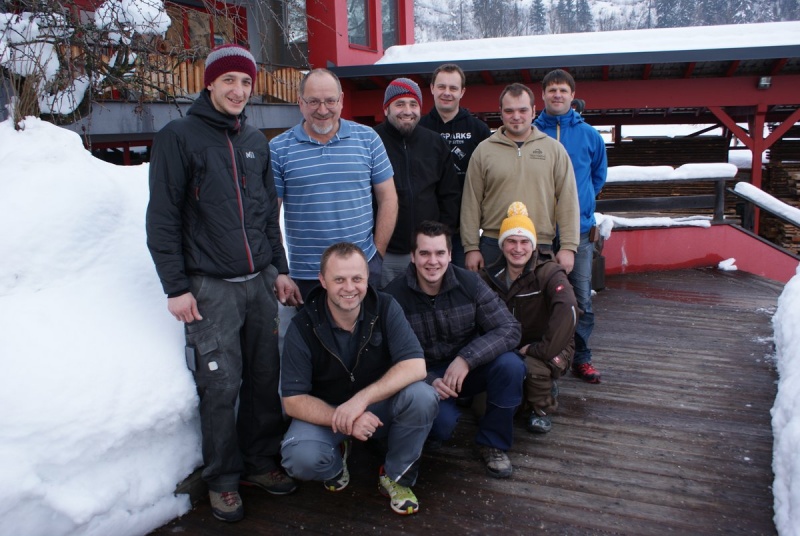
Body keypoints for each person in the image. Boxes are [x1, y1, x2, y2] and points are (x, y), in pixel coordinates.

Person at [146, 44, 301, 523]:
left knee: (263, 377)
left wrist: (279, 270)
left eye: (246, 82)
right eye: (229, 80)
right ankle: (222, 479)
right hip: (210, 287)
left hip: (259, 283)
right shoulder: (179, 137)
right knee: (220, 384)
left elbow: (267, 215)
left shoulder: (255, 140)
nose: (238, 90)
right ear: (210, 83)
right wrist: (176, 287)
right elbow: (163, 218)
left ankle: (259, 462)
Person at [280, 243, 438, 515]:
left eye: (357, 278)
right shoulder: (302, 325)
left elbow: (416, 366)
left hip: (378, 405)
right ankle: (334, 463)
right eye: (339, 279)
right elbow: (293, 401)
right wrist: (347, 419)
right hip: (329, 411)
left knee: (423, 396)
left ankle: (396, 476)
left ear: (368, 278)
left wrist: (360, 401)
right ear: (322, 281)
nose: (349, 288)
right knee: (300, 458)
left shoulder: (386, 306)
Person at [384, 221, 525, 479]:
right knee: (442, 427)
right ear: (413, 256)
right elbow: (387, 357)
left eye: (440, 253)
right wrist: (429, 380)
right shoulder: (394, 296)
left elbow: (510, 328)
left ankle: (493, 443)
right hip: (425, 375)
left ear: (450, 255)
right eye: (424, 253)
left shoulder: (470, 283)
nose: (432, 261)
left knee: (511, 365)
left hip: (468, 367)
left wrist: (466, 359)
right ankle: (432, 430)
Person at [270, 68, 399, 299]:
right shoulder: (279, 149)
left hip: (360, 271)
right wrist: (281, 269)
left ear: (341, 100)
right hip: (305, 277)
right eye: (313, 101)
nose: (323, 110)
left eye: (330, 101)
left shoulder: (368, 139)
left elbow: (388, 198)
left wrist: (377, 256)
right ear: (300, 102)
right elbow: (270, 214)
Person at [461, 82, 580, 276]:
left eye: (523, 110)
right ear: (501, 112)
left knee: (539, 297)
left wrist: (568, 246)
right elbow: (471, 201)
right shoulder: (483, 151)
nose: (516, 116)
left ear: (533, 111)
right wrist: (471, 247)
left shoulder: (554, 150)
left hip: (540, 244)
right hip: (493, 244)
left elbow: (568, 200)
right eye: (509, 111)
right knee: (490, 297)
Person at [534, 69, 607, 383]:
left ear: (572, 95)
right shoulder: (532, 131)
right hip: (539, 231)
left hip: (578, 232)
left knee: (581, 298)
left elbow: (597, 177)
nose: (557, 95)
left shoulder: (589, 135)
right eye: (552, 90)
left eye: (563, 90)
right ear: (543, 95)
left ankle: (581, 356)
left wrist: (579, 205)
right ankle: (544, 354)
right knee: (538, 296)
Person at [481, 202, 578, 434]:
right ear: (502, 245)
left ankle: (542, 407)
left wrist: (539, 349)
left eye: (524, 241)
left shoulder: (549, 272)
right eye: (511, 241)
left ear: (533, 245)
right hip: (507, 346)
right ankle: (524, 397)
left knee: (533, 368)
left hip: (550, 345)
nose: (518, 248)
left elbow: (569, 309)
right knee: (481, 408)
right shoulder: (490, 276)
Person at [374, 77, 461, 287]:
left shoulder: (435, 143)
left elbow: (449, 195)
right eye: (400, 104)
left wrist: (441, 238)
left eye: (413, 104)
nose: (407, 111)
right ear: (386, 108)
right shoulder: (372, 141)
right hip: (386, 252)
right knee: (386, 303)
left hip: (427, 253)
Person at [419, 64, 492, 267]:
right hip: (426, 230)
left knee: (462, 283)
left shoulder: (479, 130)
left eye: (453, 88)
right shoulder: (419, 128)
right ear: (432, 88)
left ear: (462, 92)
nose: (447, 93)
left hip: (464, 232)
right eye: (441, 87)